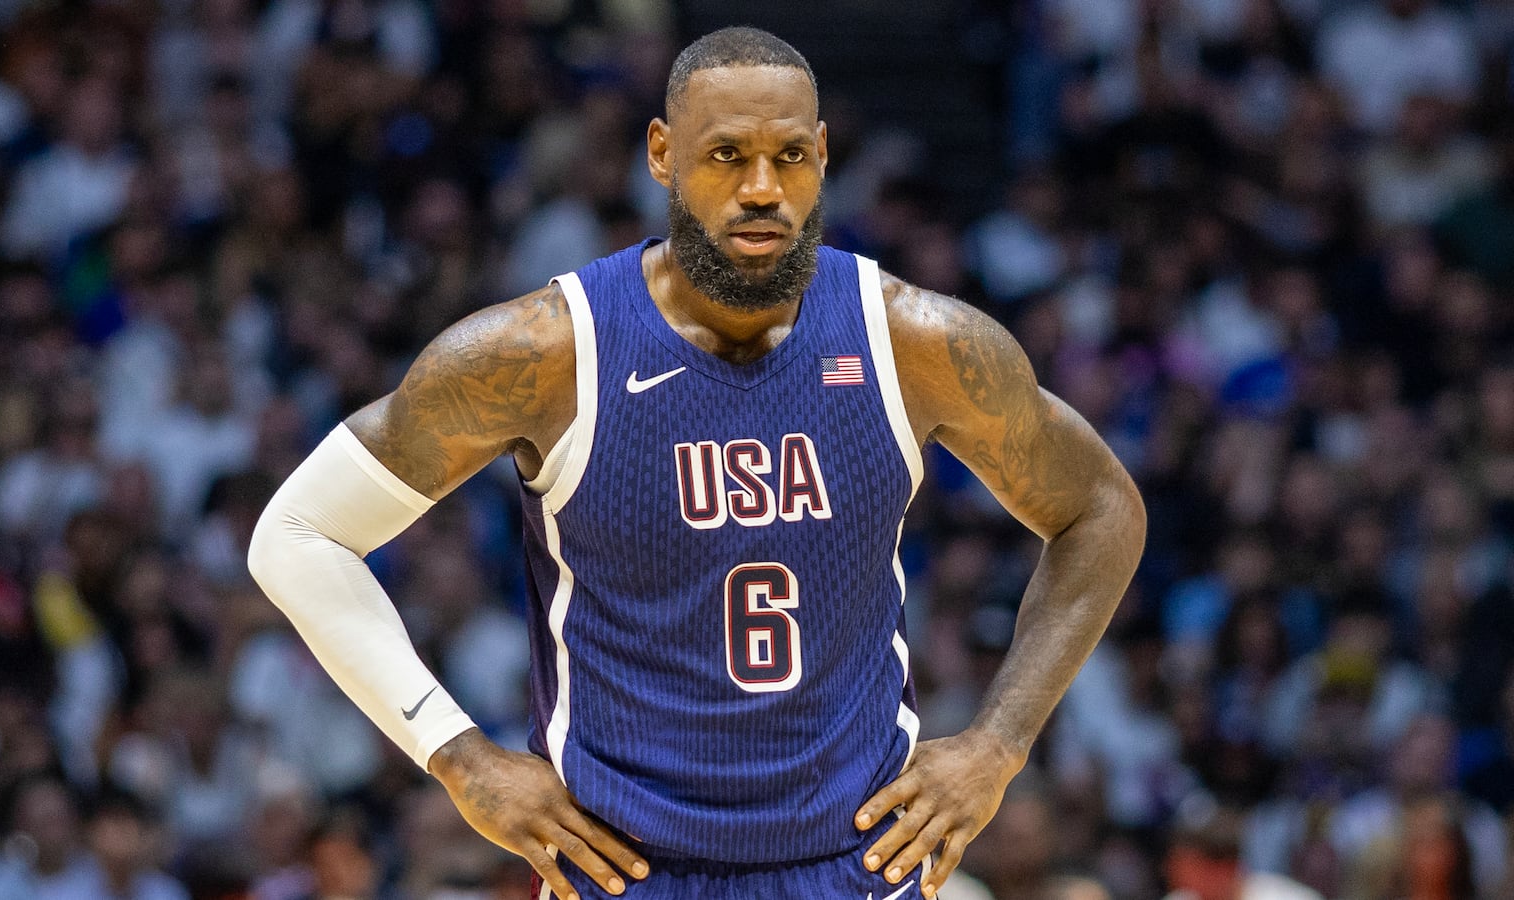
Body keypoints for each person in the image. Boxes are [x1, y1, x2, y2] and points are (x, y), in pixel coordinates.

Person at [248, 26, 1145, 900]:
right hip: (626, 869)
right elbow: (295, 533)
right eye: (727, 156)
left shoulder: (913, 341)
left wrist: (998, 744)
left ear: (825, 157)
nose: (763, 188)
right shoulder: (545, 353)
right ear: (662, 154)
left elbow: (1103, 508)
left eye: (790, 156)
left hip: (856, 865)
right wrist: (455, 753)